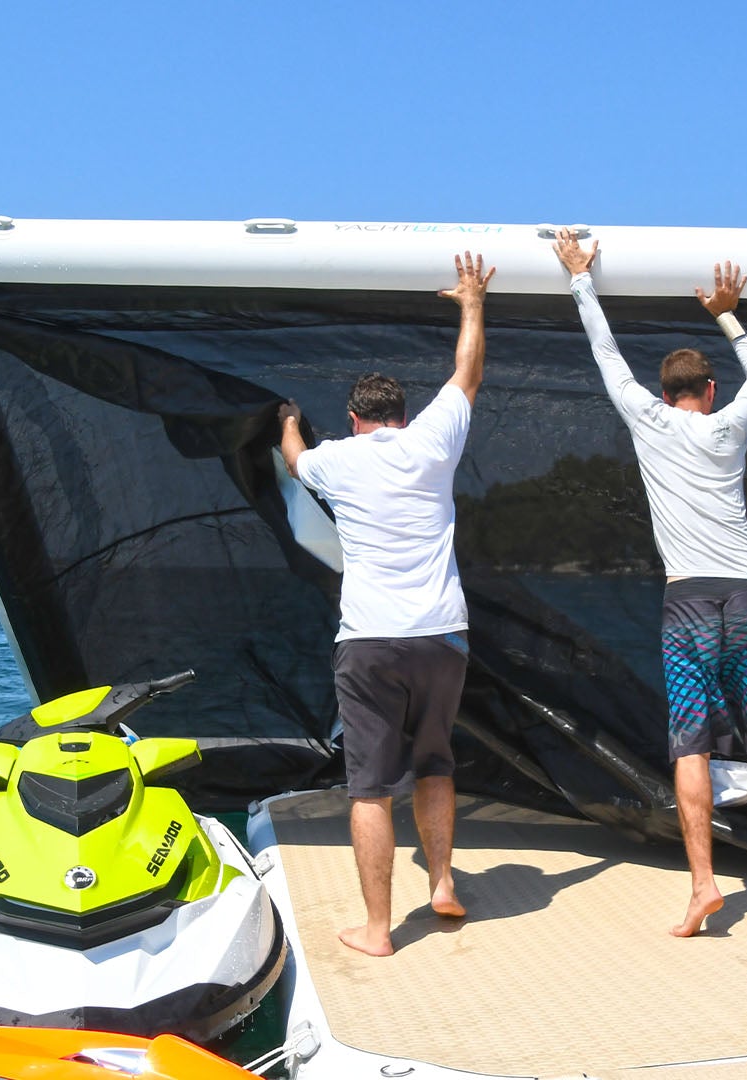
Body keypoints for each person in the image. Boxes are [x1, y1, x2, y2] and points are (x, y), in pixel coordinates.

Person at [552, 229, 747, 941]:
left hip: (688, 603)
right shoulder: (732, 424)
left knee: (691, 745)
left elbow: (606, 355)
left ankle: (704, 885)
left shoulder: (644, 419)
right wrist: (728, 314)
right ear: (709, 391)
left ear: (665, 391)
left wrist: (581, 277)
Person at [279, 251, 495, 957]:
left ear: (352, 418)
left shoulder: (335, 460)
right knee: (436, 764)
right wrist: (470, 302)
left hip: (370, 641)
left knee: (370, 790)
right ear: (404, 415)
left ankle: (378, 931)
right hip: (444, 638)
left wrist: (286, 420)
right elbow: (467, 373)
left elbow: (294, 459)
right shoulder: (434, 441)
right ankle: (441, 884)